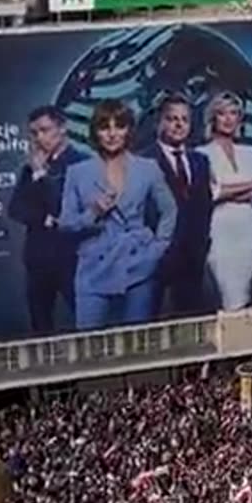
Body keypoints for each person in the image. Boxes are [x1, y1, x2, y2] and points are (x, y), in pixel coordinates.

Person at [60, 99, 178, 330]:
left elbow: (170, 210)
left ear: (128, 130)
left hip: (138, 265)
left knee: (137, 343)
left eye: (119, 126)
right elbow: (65, 223)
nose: (112, 134)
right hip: (93, 269)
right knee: (90, 344)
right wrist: (93, 212)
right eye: (105, 127)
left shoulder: (148, 168)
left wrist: (158, 248)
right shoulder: (77, 172)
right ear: (95, 132)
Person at [8, 106, 88, 334]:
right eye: (34, 133)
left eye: (44, 130)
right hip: (38, 260)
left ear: (62, 129)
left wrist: (42, 177)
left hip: (73, 259)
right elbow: (15, 209)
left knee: (86, 321)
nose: (39, 138)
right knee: (40, 326)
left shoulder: (82, 163)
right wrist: (44, 219)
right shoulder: (30, 168)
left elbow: (63, 209)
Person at [147, 95, 213, 317]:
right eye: (172, 118)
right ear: (160, 122)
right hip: (156, 256)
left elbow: (204, 207)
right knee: (148, 319)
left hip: (192, 256)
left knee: (192, 320)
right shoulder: (144, 160)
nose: (178, 124)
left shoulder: (200, 161)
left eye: (184, 119)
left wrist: (202, 244)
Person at [198, 91, 252, 311]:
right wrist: (248, 185)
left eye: (234, 113)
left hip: (248, 228)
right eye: (222, 113)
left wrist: (230, 190)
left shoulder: (249, 152)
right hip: (219, 229)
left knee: (244, 292)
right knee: (230, 295)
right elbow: (211, 194)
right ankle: (234, 339)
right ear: (213, 118)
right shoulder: (202, 154)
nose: (228, 119)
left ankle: (241, 337)